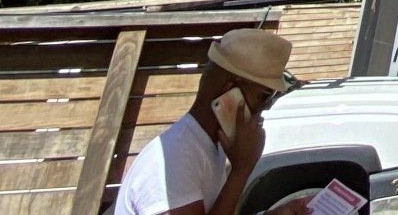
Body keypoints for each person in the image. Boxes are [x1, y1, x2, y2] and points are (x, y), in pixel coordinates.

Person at [113, 29, 298, 215]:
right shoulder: (177, 156)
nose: (264, 107)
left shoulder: (208, 147)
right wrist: (242, 168)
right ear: (230, 90)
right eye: (264, 96)